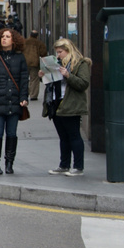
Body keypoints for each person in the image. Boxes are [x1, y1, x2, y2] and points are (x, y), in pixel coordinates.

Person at [40, 37, 91, 177]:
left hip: (71, 104)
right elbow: (52, 82)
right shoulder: (57, 64)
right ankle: (64, 165)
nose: (58, 55)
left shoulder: (81, 63)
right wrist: (43, 76)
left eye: (60, 52)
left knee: (74, 135)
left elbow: (83, 84)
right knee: (63, 137)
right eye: (56, 52)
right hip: (56, 103)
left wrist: (68, 75)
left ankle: (78, 167)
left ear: (68, 51)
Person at [0, 27, 29, 175]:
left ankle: (9, 163)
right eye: (2, 36)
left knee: (11, 134)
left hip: (14, 102)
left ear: (13, 40)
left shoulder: (20, 58)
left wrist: (24, 98)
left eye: (7, 37)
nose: (4, 39)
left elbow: (24, 80)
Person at [22, 30, 48, 100]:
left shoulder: (24, 42)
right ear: (37, 36)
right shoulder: (39, 43)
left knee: (24, 79)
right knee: (34, 79)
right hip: (34, 63)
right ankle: (33, 95)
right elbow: (43, 53)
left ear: (30, 35)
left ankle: (24, 93)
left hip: (24, 62)